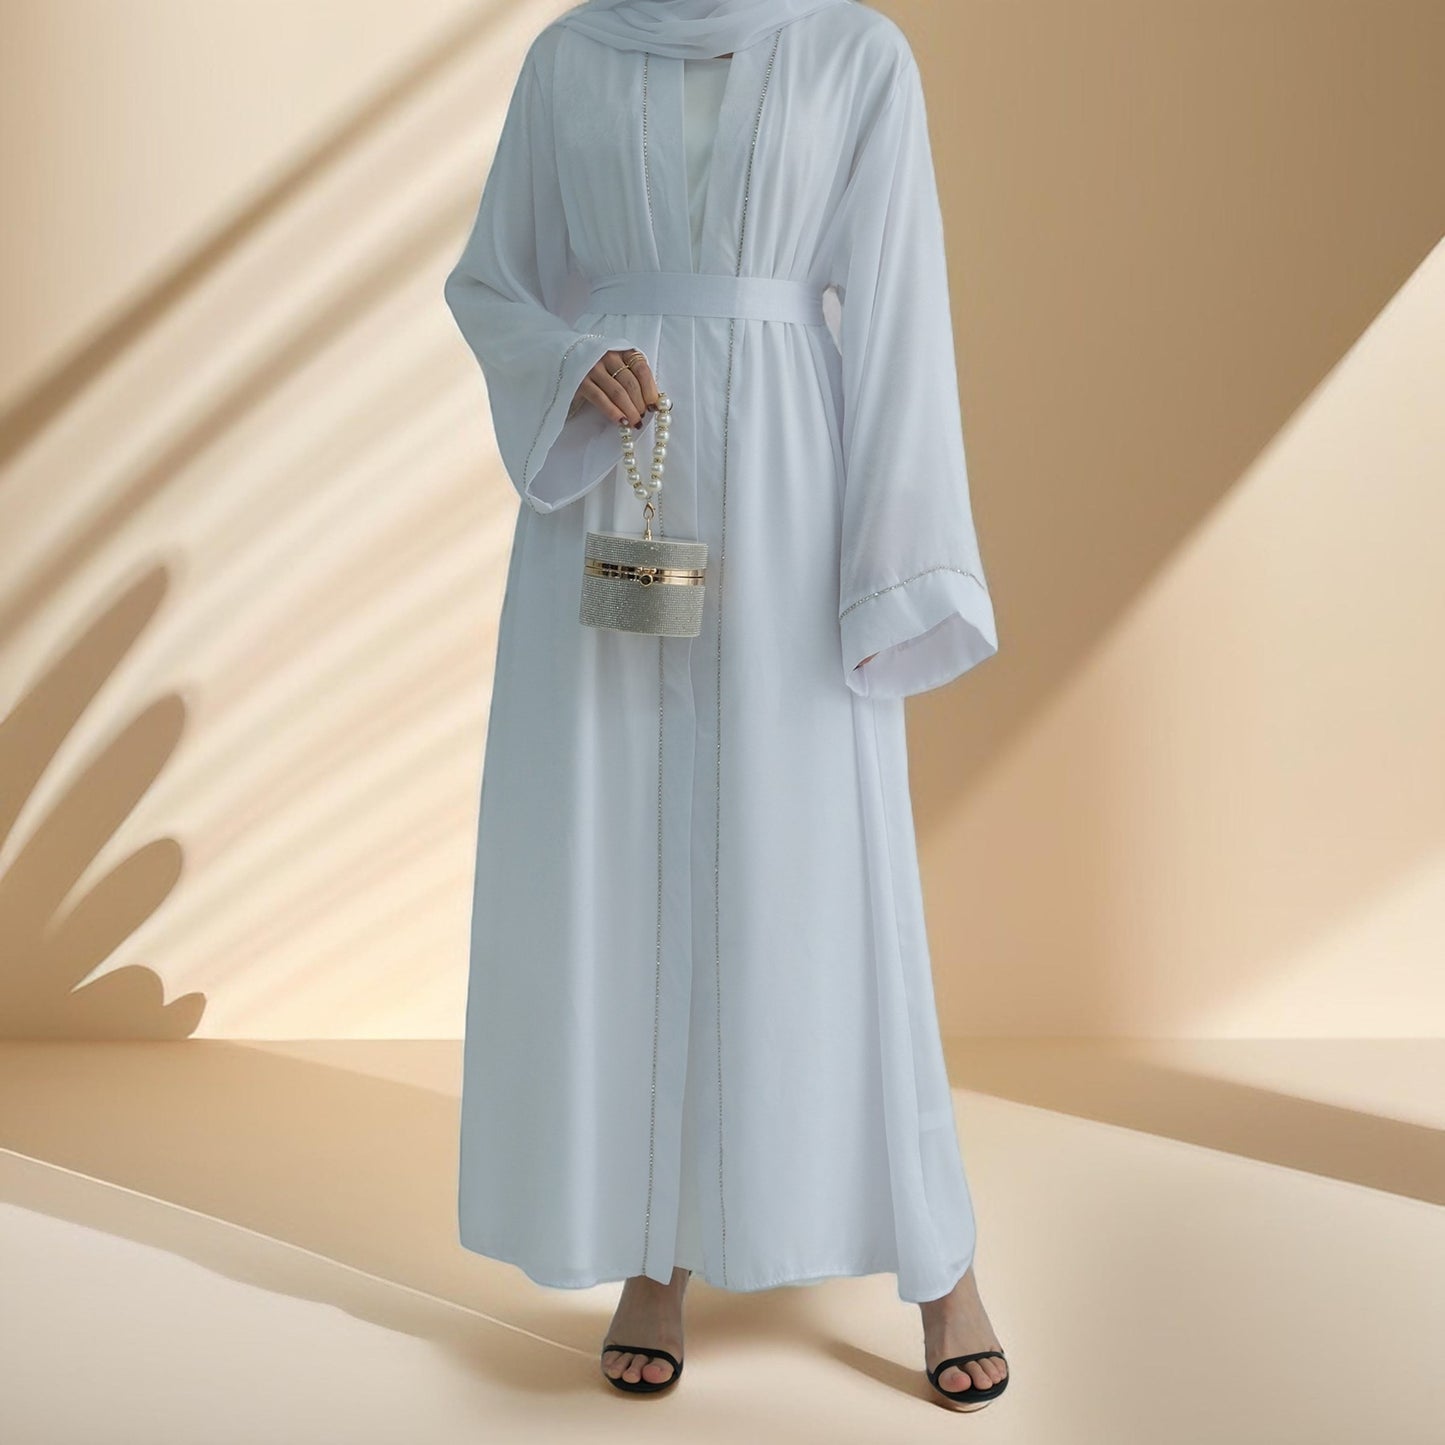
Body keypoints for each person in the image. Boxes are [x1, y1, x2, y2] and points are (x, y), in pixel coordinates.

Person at [443, 0, 1008, 1410]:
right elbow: (494, 280)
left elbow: (898, 303)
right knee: (620, 869)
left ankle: (941, 1263)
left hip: (791, 489)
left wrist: (897, 561)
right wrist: (569, 365)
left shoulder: (854, 52)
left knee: (827, 878)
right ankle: (654, 1255)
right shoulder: (570, 56)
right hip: (616, 486)